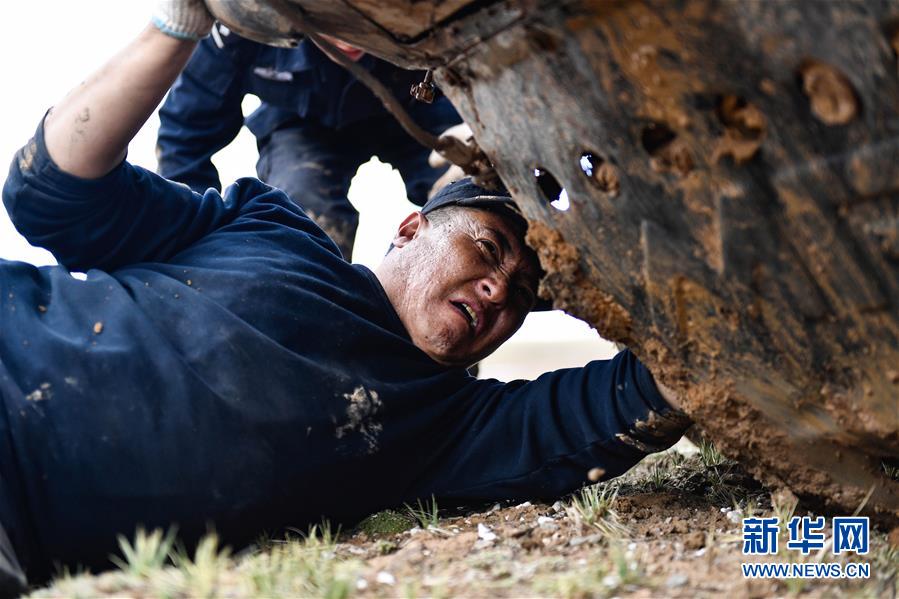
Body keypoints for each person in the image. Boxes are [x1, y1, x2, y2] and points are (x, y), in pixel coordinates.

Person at [0, 2, 689, 592]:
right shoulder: (263, 223)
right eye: (487, 250)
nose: (498, 288)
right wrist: (177, 26)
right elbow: (50, 193)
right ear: (411, 224)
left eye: (522, 292)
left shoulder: (446, 425)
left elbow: (648, 387)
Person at [155, 23, 461, 258]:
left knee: (470, 196)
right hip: (300, 122)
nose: (347, 33)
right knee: (300, 215)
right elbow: (185, 137)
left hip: (419, 108)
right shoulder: (242, 23)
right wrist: (191, 238)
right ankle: (306, 313)